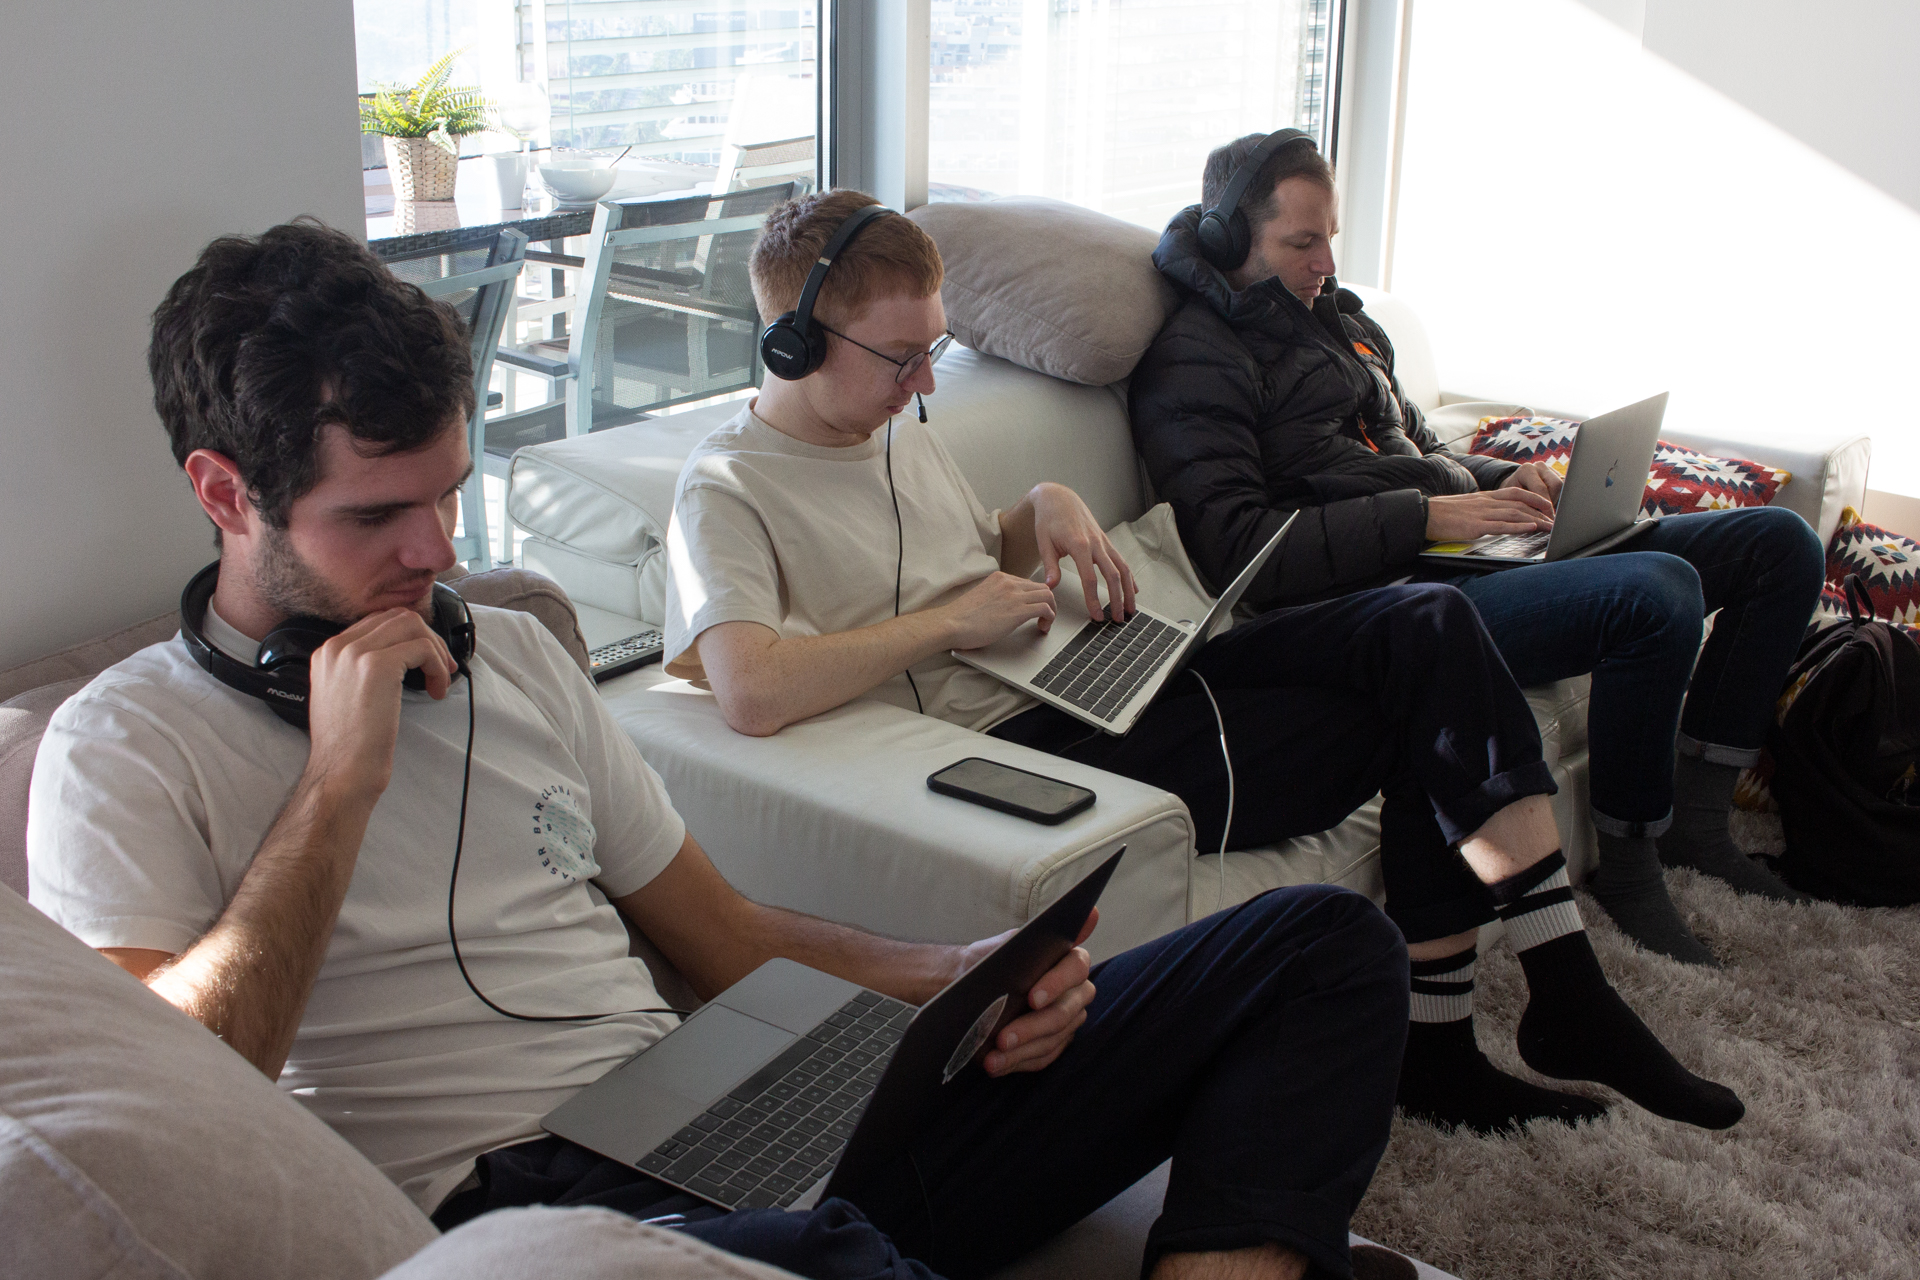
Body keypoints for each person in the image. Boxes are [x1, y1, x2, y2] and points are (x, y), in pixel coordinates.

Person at [26, 219, 1425, 1280]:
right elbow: (188, 1095)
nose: (438, 555)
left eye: (450, 497)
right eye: (376, 516)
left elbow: (719, 931)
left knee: (1317, 953)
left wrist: (960, 985)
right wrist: (339, 780)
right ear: (225, 492)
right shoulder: (122, 749)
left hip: (726, 1118)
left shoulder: (505, 652)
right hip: (527, 1213)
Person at [662, 189, 1743, 1141]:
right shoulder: (729, 488)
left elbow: (950, 550)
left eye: (933, 349)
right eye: (901, 357)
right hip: (1011, 745)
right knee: (1423, 704)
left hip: (1083, 673)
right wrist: (945, 625)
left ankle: (1530, 995)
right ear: (794, 343)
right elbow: (750, 683)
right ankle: (1487, 1030)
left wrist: (1041, 509)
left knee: (1425, 625)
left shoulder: (895, 423)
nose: (921, 379)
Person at [1129, 131, 1826, 975]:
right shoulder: (1196, 358)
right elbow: (1245, 551)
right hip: (1390, 597)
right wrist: (1430, 518)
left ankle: (1701, 825)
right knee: (1658, 593)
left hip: (1468, 549)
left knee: (1778, 545)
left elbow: (1417, 443)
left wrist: (1512, 478)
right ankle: (1634, 865)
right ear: (1230, 239)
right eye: (1300, 242)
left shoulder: (1344, 322)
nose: (1325, 261)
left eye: (1330, 236)